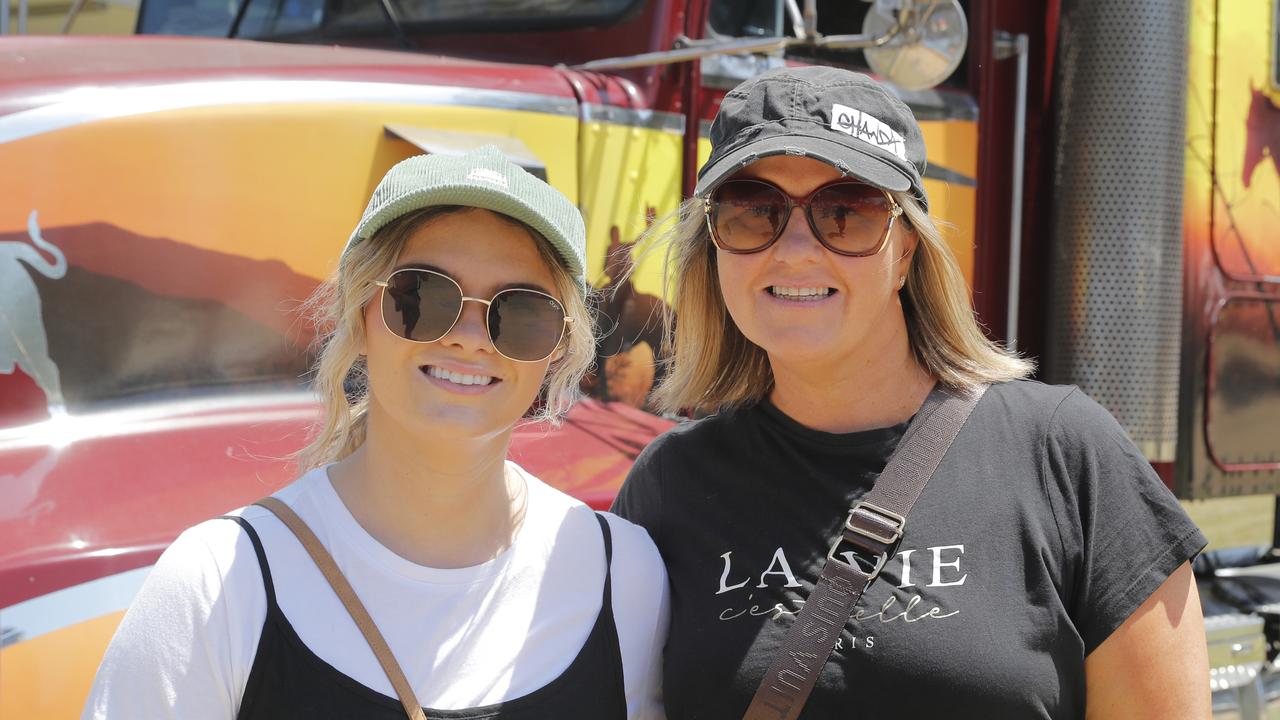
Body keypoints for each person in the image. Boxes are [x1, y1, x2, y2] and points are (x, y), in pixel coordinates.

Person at [612, 66, 1209, 719]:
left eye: (847, 213)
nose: (797, 249)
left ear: (906, 254)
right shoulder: (667, 488)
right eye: (755, 212)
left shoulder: (1065, 456)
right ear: (716, 249)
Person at [85, 146, 669, 719]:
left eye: (520, 311)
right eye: (423, 296)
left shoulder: (623, 575)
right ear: (360, 314)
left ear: (559, 347)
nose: (469, 336)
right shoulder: (217, 582)